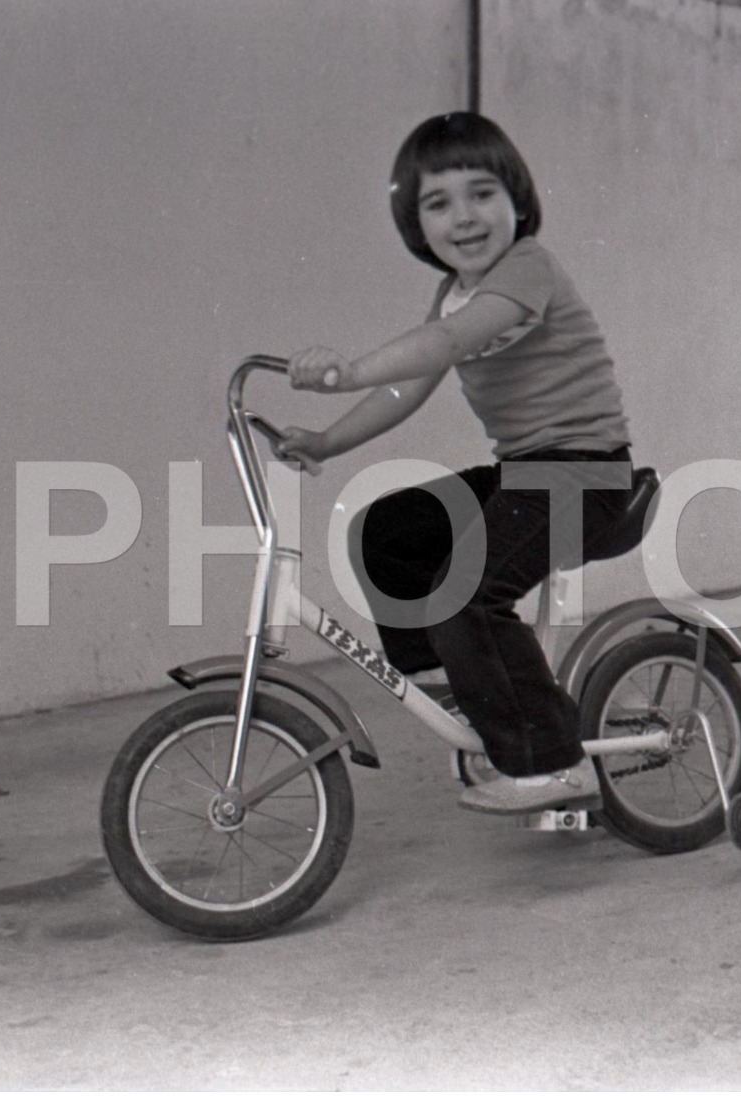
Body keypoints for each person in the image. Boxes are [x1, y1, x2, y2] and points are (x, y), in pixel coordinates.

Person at [268, 112, 634, 816]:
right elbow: (409, 386)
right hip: (527, 468)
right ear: (415, 224)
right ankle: (453, 682)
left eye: (481, 193)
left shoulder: (526, 267)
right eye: (437, 203)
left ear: (517, 201)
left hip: (586, 472)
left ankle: (555, 763)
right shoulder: (453, 290)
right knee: (387, 529)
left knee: (464, 591)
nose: (462, 217)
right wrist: (326, 440)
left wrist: (345, 369)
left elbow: (444, 343)